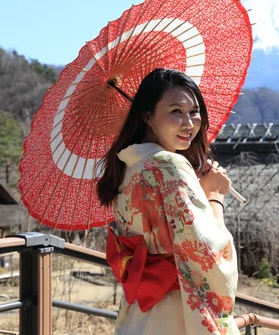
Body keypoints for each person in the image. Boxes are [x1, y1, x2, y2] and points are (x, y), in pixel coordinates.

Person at [97, 68, 239, 335]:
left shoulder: (128, 165)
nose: (189, 124)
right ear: (147, 116)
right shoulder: (169, 163)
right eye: (176, 111)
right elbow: (207, 251)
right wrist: (214, 198)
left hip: (140, 313)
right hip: (178, 314)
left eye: (194, 111)